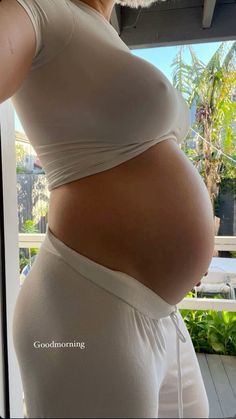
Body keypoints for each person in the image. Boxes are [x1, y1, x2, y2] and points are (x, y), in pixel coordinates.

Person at [0, 0, 215, 417]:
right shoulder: (46, 9)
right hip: (85, 309)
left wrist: (180, 245)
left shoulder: (106, 34)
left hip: (161, 315)